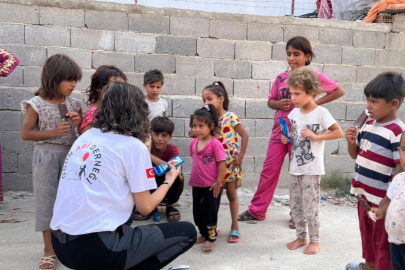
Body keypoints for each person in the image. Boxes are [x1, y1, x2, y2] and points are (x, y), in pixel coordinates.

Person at [50, 82, 197, 270]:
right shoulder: (132, 146)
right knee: (187, 232)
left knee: (126, 213)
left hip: (61, 244)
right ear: (138, 111)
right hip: (95, 248)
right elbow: (145, 208)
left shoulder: (85, 138)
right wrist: (169, 180)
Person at [238, 36, 345, 229]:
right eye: (289, 54)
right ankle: (257, 210)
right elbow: (270, 101)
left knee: (299, 175)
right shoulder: (281, 78)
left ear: (307, 55)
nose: (292, 58)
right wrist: (279, 104)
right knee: (269, 171)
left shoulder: (312, 78)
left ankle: (298, 215)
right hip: (279, 132)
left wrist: (312, 104)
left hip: (301, 135)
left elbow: (338, 91)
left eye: (297, 54)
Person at [21, 54, 83, 270]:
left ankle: (70, 244)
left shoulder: (75, 103)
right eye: (68, 80)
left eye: (75, 80)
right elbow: (26, 134)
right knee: (47, 201)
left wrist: (79, 122)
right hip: (46, 157)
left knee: (72, 201)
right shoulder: (36, 104)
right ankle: (49, 250)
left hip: (71, 157)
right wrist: (53, 132)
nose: (73, 84)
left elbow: (83, 133)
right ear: (53, 79)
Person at [345, 72, 405, 270]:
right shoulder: (368, 125)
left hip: (380, 202)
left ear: (393, 104)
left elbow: (399, 168)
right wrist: (351, 142)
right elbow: (356, 155)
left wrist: (386, 204)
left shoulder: (397, 131)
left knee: (382, 245)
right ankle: (368, 266)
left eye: (374, 101)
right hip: (363, 197)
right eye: (367, 100)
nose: (368, 106)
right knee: (368, 240)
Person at [281, 68, 343, 255]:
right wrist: (289, 138)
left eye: (297, 93)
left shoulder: (321, 113)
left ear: (311, 93)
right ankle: (301, 236)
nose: (293, 97)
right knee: (296, 205)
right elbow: (295, 135)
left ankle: (315, 240)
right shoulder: (293, 115)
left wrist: (317, 136)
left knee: (310, 206)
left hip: (312, 168)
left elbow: (338, 132)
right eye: (291, 93)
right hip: (295, 167)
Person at [202, 81, 249, 243]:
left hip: (230, 164)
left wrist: (241, 155)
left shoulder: (231, 117)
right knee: (213, 197)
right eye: (204, 100)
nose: (206, 103)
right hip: (213, 166)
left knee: (231, 194)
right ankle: (211, 227)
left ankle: (235, 226)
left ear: (221, 98)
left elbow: (245, 135)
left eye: (209, 99)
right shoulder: (209, 120)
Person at [189, 104, 226, 252]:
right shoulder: (193, 143)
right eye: (194, 126)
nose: (196, 129)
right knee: (197, 213)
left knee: (209, 213)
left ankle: (211, 238)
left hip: (211, 186)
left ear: (211, 126)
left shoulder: (215, 144)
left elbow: (222, 164)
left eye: (201, 126)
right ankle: (204, 234)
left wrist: (218, 182)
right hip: (196, 184)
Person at [134, 116, 184, 222]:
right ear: (150, 134)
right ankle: (151, 205)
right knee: (142, 174)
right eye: (156, 134)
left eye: (164, 135)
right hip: (151, 183)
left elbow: (170, 167)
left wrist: (148, 155)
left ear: (170, 137)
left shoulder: (173, 149)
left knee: (177, 176)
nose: (159, 139)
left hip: (166, 182)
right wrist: (147, 148)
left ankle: (170, 205)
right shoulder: (145, 148)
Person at [371, 131, 405, 270]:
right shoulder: (398, 179)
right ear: (400, 152)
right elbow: (391, 200)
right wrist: (382, 211)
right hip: (396, 240)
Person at [80, 65, 127, 134]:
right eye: (114, 85)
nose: (120, 90)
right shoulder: (94, 113)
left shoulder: (112, 109)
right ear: (99, 88)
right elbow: (87, 139)